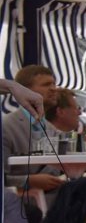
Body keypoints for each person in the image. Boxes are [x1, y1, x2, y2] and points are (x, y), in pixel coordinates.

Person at [1, 76, 43, 223]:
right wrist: (31, 180)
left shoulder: (48, 126)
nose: (53, 89)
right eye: (46, 84)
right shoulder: (10, 124)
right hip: (22, 192)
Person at [2, 66, 64, 195]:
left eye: (54, 84)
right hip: (16, 206)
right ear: (24, 91)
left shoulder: (54, 131)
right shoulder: (6, 126)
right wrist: (27, 180)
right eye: (46, 84)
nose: (54, 88)